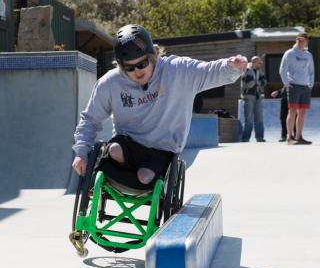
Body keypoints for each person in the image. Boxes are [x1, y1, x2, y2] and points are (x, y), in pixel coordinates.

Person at [72, 24, 247, 187]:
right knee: (115, 150)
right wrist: (81, 152)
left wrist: (231, 67)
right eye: (129, 68)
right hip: (128, 145)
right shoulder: (110, 83)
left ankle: (151, 180)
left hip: (162, 151)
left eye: (142, 64)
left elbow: (208, 71)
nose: (138, 71)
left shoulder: (177, 71)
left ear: (152, 55)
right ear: (120, 66)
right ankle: (120, 167)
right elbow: (90, 118)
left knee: (145, 176)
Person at [279, 32, 314, 145]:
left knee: (302, 112)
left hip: (305, 87)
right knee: (292, 111)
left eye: (303, 40)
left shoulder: (308, 55)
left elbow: (311, 71)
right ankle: (290, 137)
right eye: (298, 39)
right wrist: (286, 83)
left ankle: (299, 137)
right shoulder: (289, 53)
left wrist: (310, 84)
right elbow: (282, 69)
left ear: (307, 41)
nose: (300, 42)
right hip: (293, 85)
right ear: (296, 40)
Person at [241, 56, 267, 142]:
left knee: (259, 118)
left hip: (258, 96)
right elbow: (249, 84)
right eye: (259, 63)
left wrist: (257, 82)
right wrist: (258, 82)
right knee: (248, 119)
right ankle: (245, 138)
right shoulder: (247, 70)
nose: (260, 64)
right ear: (254, 62)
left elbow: (265, 82)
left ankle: (260, 137)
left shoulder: (260, 71)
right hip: (248, 97)